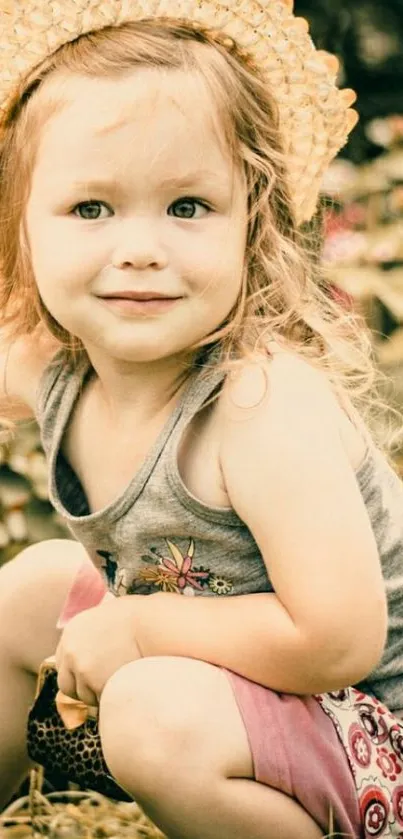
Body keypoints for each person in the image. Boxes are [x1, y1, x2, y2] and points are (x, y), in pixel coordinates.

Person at [0, 2, 402, 837]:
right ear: (23, 229)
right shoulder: (55, 366)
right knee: (26, 591)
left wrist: (139, 624)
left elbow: (339, 640)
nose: (140, 246)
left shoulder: (257, 406)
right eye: (90, 209)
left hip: (376, 727)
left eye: (187, 207)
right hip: (248, 695)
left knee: (153, 708)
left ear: (251, 223)